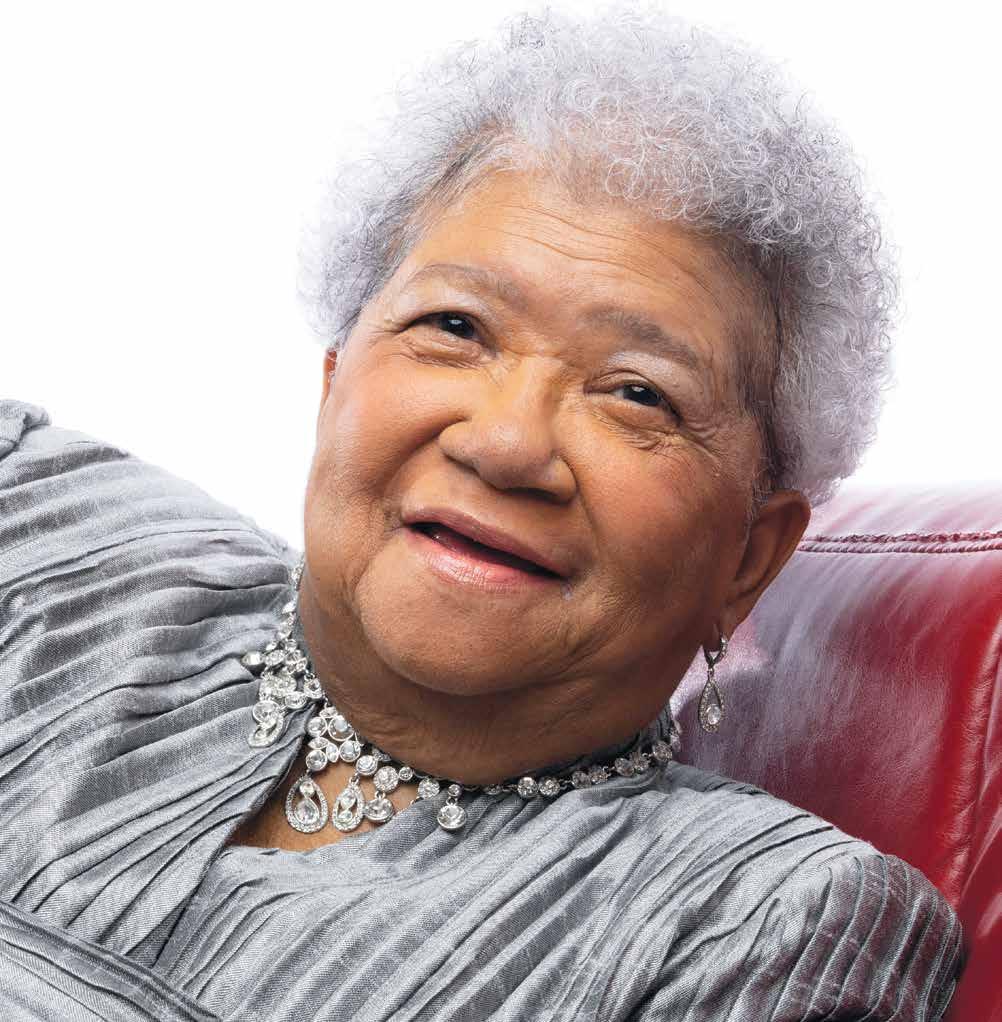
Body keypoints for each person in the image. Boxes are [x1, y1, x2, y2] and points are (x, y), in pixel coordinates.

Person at [0, 4, 962, 1020]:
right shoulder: (36, 513)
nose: (505, 443)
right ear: (335, 383)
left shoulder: (764, 921)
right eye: (455, 326)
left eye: (639, 393)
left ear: (749, 560)